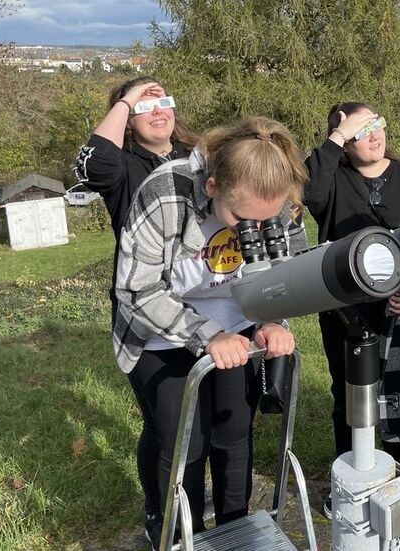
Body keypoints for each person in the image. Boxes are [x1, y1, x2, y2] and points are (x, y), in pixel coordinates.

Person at [113, 116, 303, 549]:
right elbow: (135, 288)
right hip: (159, 329)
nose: (246, 231)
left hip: (238, 325)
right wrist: (207, 336)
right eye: (239, 218)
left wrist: (274, 320)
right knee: (185, 443)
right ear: (213, 186)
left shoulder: (282, 193)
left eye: (262, 221)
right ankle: (180, 532)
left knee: (234, 434)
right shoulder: (166, 192)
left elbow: (290, 271)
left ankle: (236, 531)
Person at [73, 76, 197, 541]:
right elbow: (91, 162)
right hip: (145, 312)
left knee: (195, 426)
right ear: (126, 119)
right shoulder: (123, 167)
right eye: (145, 106)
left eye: (165, 99)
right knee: (168, 427)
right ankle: (162, 517)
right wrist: (127, 99)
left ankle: (192, 502)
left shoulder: (197, 157)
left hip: (206, 308)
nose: (159, 109)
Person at [303, 102, 400, 514]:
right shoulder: (331, 180)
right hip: (345, 310)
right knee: (348, 397)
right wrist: (336, 139)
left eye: (377, 123)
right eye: (361, 130)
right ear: (344, 142)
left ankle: (391, 486)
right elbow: (306, 192)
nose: (375, 133)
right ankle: (347, 485)